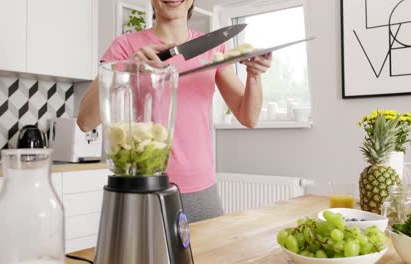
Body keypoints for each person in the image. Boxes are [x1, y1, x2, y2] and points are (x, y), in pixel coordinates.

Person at [77, 0, 272, 222]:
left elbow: (249, 117)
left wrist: (254, 76)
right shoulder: (126, 46)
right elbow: (85, 121)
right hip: (144, 187)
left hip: (202, 189)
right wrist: (127, 67)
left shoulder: (213, 47)